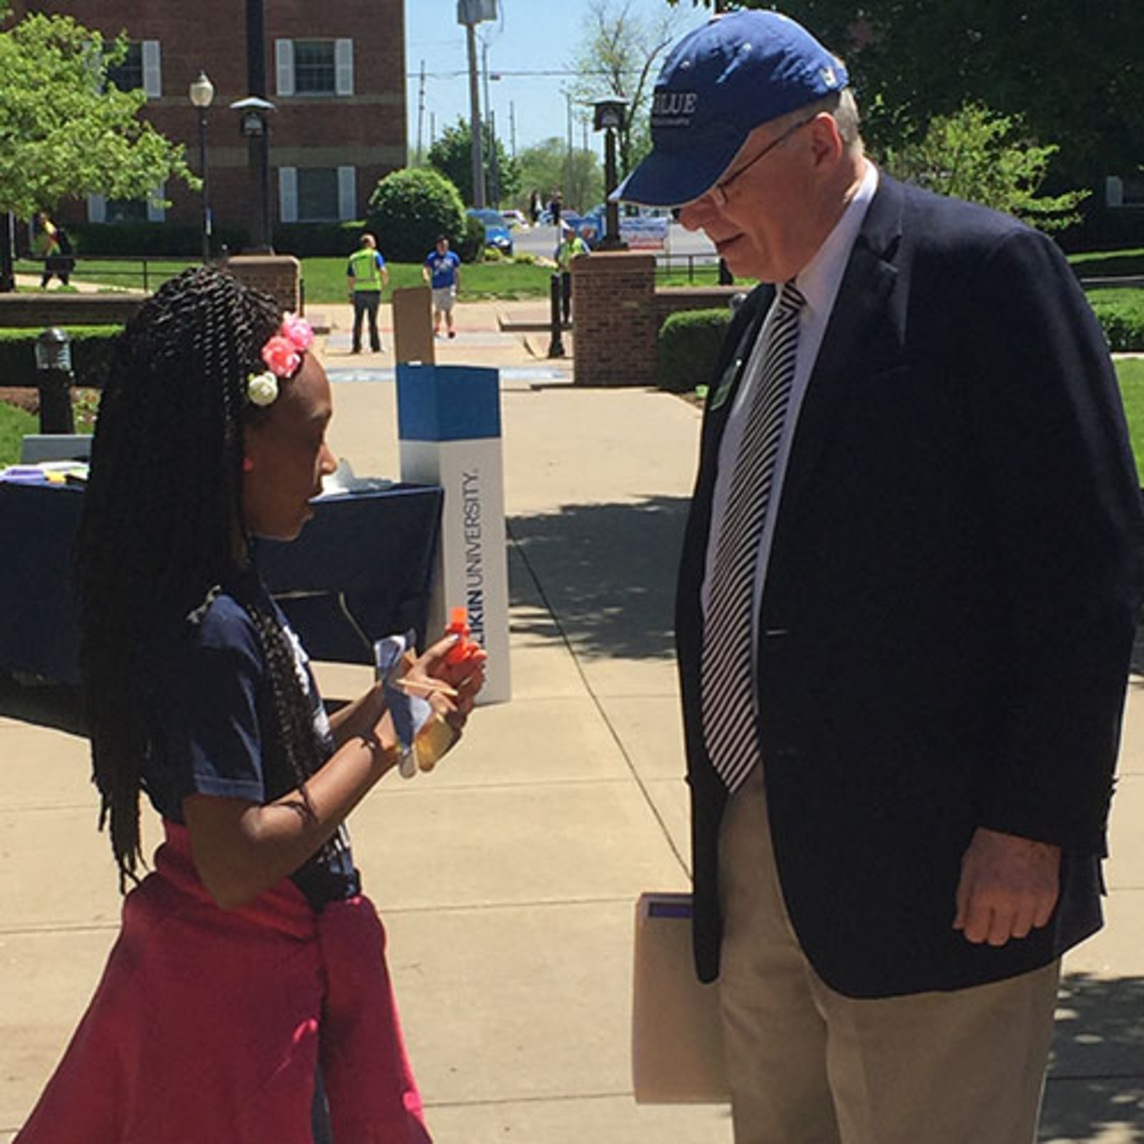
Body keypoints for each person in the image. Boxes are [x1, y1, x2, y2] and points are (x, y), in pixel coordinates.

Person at [615, 11, 1144, 1144]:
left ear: (816, 143)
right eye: (677, 190)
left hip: (948, 864)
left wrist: (1032, 823)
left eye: (715, 183)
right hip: (761, 847)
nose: (692, 214)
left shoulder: (985, 277)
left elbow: (1083, 573)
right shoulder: (759, 320)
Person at [15, 267, 486, 1143]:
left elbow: (278, 749)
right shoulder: (210, 631)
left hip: (237, 980)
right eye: (313, 439)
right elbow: (236, 859)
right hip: (249, 1009)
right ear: (236, 448)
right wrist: (380, 745)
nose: (331, 465)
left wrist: (395, 700)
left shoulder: (220, 596)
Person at [346, 232, 389, 353]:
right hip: (373, 289)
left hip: (359, 290)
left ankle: (356, 346)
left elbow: (350, 278)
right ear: (369, 243)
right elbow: (382, 270)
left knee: (358, 319)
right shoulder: (375, 255)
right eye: (373, 241)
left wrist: (351, 292)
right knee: (373, 320)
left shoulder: (353, 257)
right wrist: (384, 283)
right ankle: (375, 346)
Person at [422, 235, 461, 339]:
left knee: (448, 309)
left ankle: (450, 328)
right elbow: (426, 268)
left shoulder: (453, 257)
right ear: (437, 246)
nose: (443, 247)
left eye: (445, 245)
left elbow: (457, 272)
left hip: (449, 286)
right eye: (442, 245)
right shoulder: (432, 257)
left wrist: (458, 285)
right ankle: (436, 326)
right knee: (438, 309)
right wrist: (426, 276)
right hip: (437, 287)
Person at [555, 223, 589, 325]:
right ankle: (565, 318)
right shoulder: (563, 245)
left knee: (578, 297)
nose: (567, 236)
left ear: (574, 234)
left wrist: (579, 255)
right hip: (566, 273)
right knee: (565, 297)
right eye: (566, 235)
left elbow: (588, 253)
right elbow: (556, 256)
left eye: (570, 234)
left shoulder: (580, 243)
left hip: (577, 274)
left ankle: (579, 318)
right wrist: (560, 264)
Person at [37, 212, 74, 289]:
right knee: (52, 270)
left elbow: (52, 235)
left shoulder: (48, 225)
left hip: (55, 251)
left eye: (42, 218)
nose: (40, 220)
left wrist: (46, 248)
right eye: (40, 218)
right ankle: (64, 284)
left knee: (51, 269)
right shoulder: (48, 225)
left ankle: (44, 286)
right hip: (54, 251)